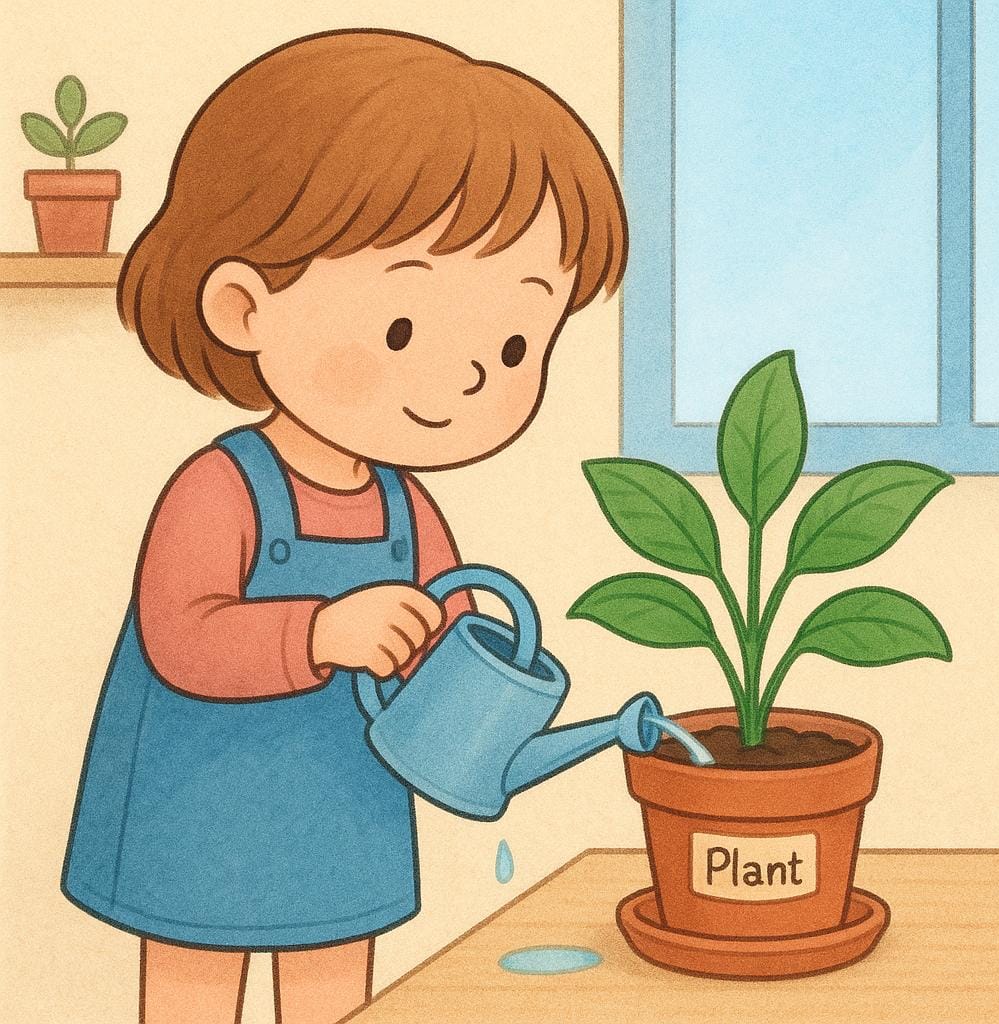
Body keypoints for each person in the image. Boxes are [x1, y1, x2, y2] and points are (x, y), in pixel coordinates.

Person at [62, 28, 627, 1024]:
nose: (463, 376)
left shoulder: (410, 507)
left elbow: (441, 638)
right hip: (197, 815)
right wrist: (320, 633)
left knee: (336, 992)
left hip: (341, 816)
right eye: (404, 327)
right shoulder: (219, 487)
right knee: (193, 991)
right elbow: (180, 636)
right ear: (243, 307)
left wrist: (465, 671)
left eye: (509, 342)